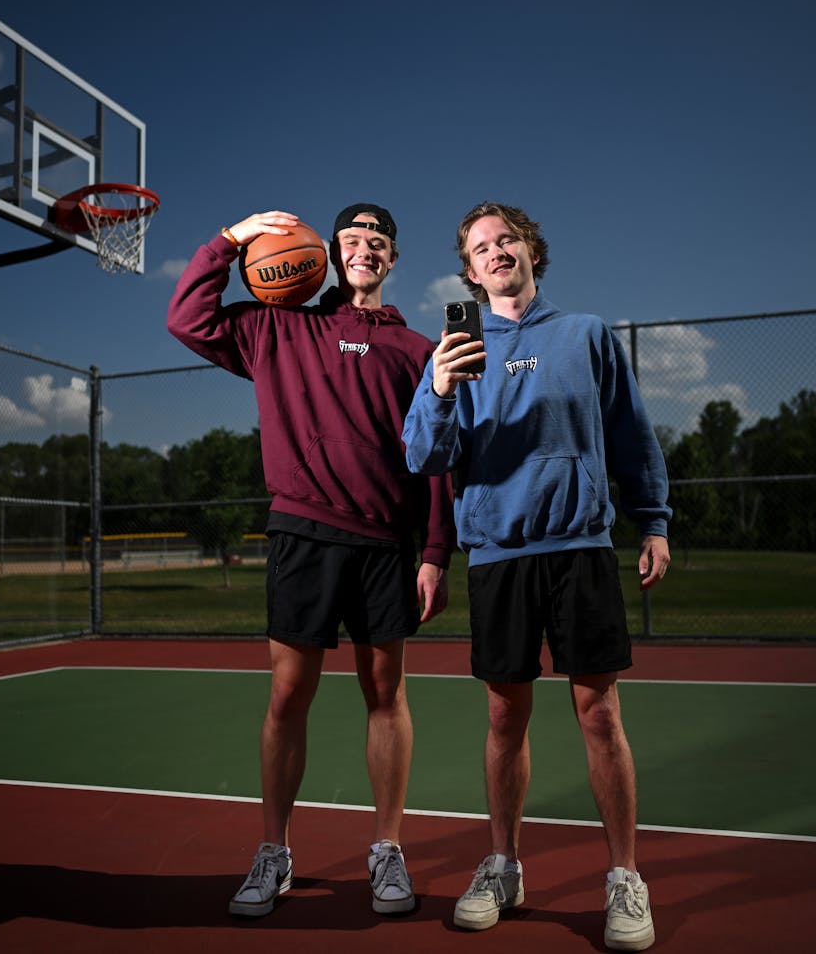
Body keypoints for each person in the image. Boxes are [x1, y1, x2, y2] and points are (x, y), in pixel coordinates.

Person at [167, 204, 455, 919]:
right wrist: (229, 240)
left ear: (392, 261)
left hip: (387, 539)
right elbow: (187, 320)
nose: (365, 249)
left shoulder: (420, 350)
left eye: (378, 242)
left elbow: (438, 460)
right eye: (353, 240)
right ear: (327, 254)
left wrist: (436, 551)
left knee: (385, 692)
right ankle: (274, 851)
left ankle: (386, 848)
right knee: (288, 694)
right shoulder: (275, 325)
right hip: (303, 531)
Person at [401, 201, 671, 951]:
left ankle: (624, 877)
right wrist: (444, 386)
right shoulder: (452, 347)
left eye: (506, 239)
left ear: (530, 252)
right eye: (480, 247)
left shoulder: (585, 333)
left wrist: (653, 518)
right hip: (497, 552)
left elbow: (631, 431)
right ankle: (504, 864)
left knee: (600, 714)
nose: (495, 252)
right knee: (503, 718)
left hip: (580, 546)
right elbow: (424, 456)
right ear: (467, 270)